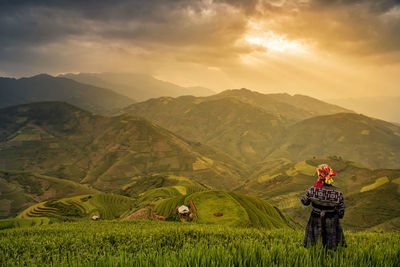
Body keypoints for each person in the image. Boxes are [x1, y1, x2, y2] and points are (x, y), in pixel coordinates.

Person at [300, 164, 346, 249]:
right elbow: (341, 212)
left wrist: (302, 196)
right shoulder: (338, 192)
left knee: (313, 247)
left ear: (319, 175)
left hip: (315, 219)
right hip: (331, 220)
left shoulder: (312, 190)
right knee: (332, 248)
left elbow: (305, 201)